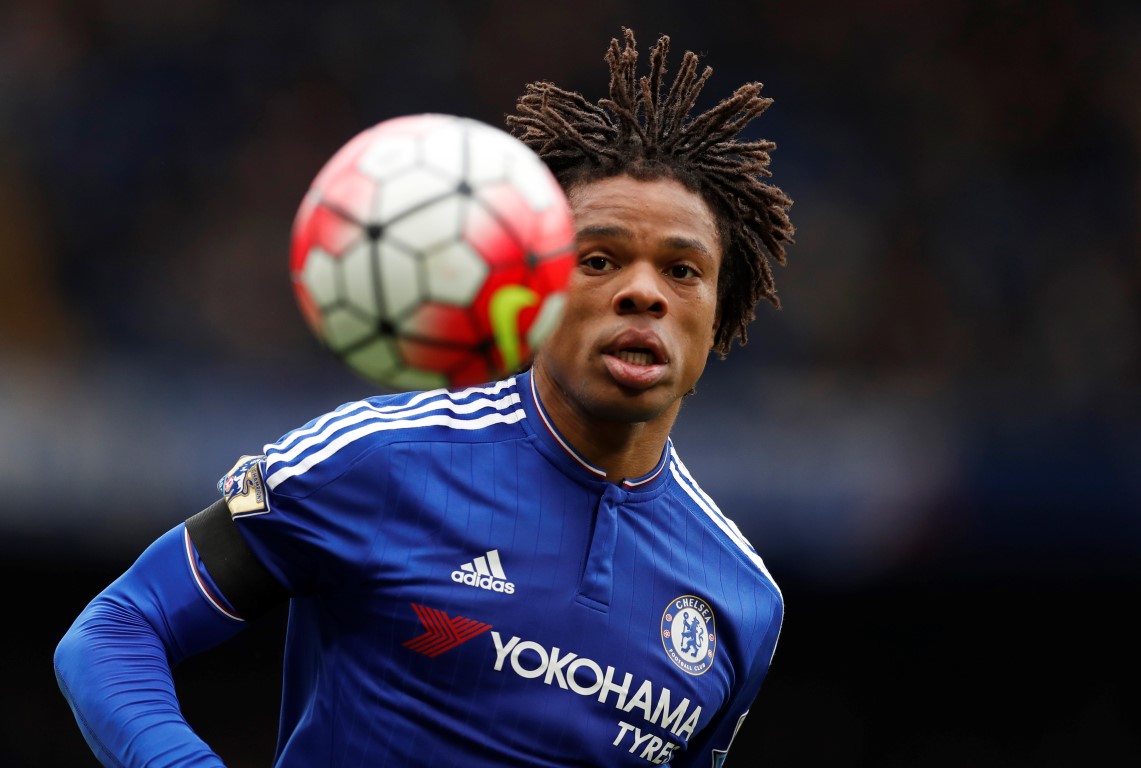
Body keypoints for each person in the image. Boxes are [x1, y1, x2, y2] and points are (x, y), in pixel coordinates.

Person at [55, 28, 794, 767]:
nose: (643, 293)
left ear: (719, 314)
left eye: (683, 271)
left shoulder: (740, 599)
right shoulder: (378, 462)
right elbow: (116, 631)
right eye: (598, 260)